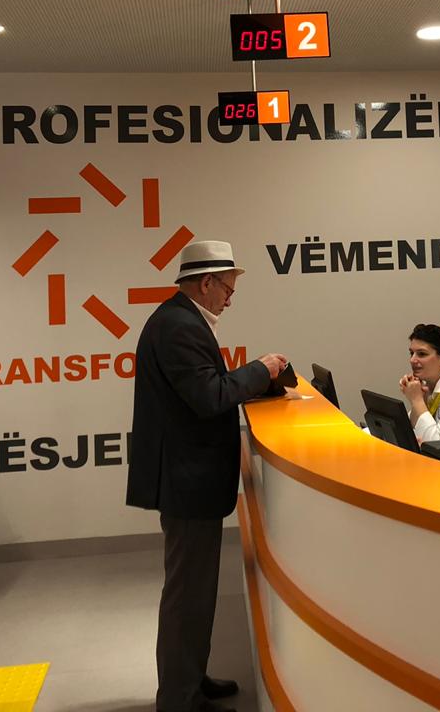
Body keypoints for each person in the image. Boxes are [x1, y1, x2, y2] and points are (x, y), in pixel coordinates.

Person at [127, 240, 288, 712]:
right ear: (206, 283)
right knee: (187, 594)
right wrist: (260, 370)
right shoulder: (179, 326)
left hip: (190, 479)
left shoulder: (181, 320)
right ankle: (179, 698)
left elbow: (204, 386)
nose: (230, 299)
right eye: (228, 289)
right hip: (187, 481)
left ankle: (191, 679)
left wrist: (255, 377)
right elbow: (208, 396)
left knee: (197, 592)